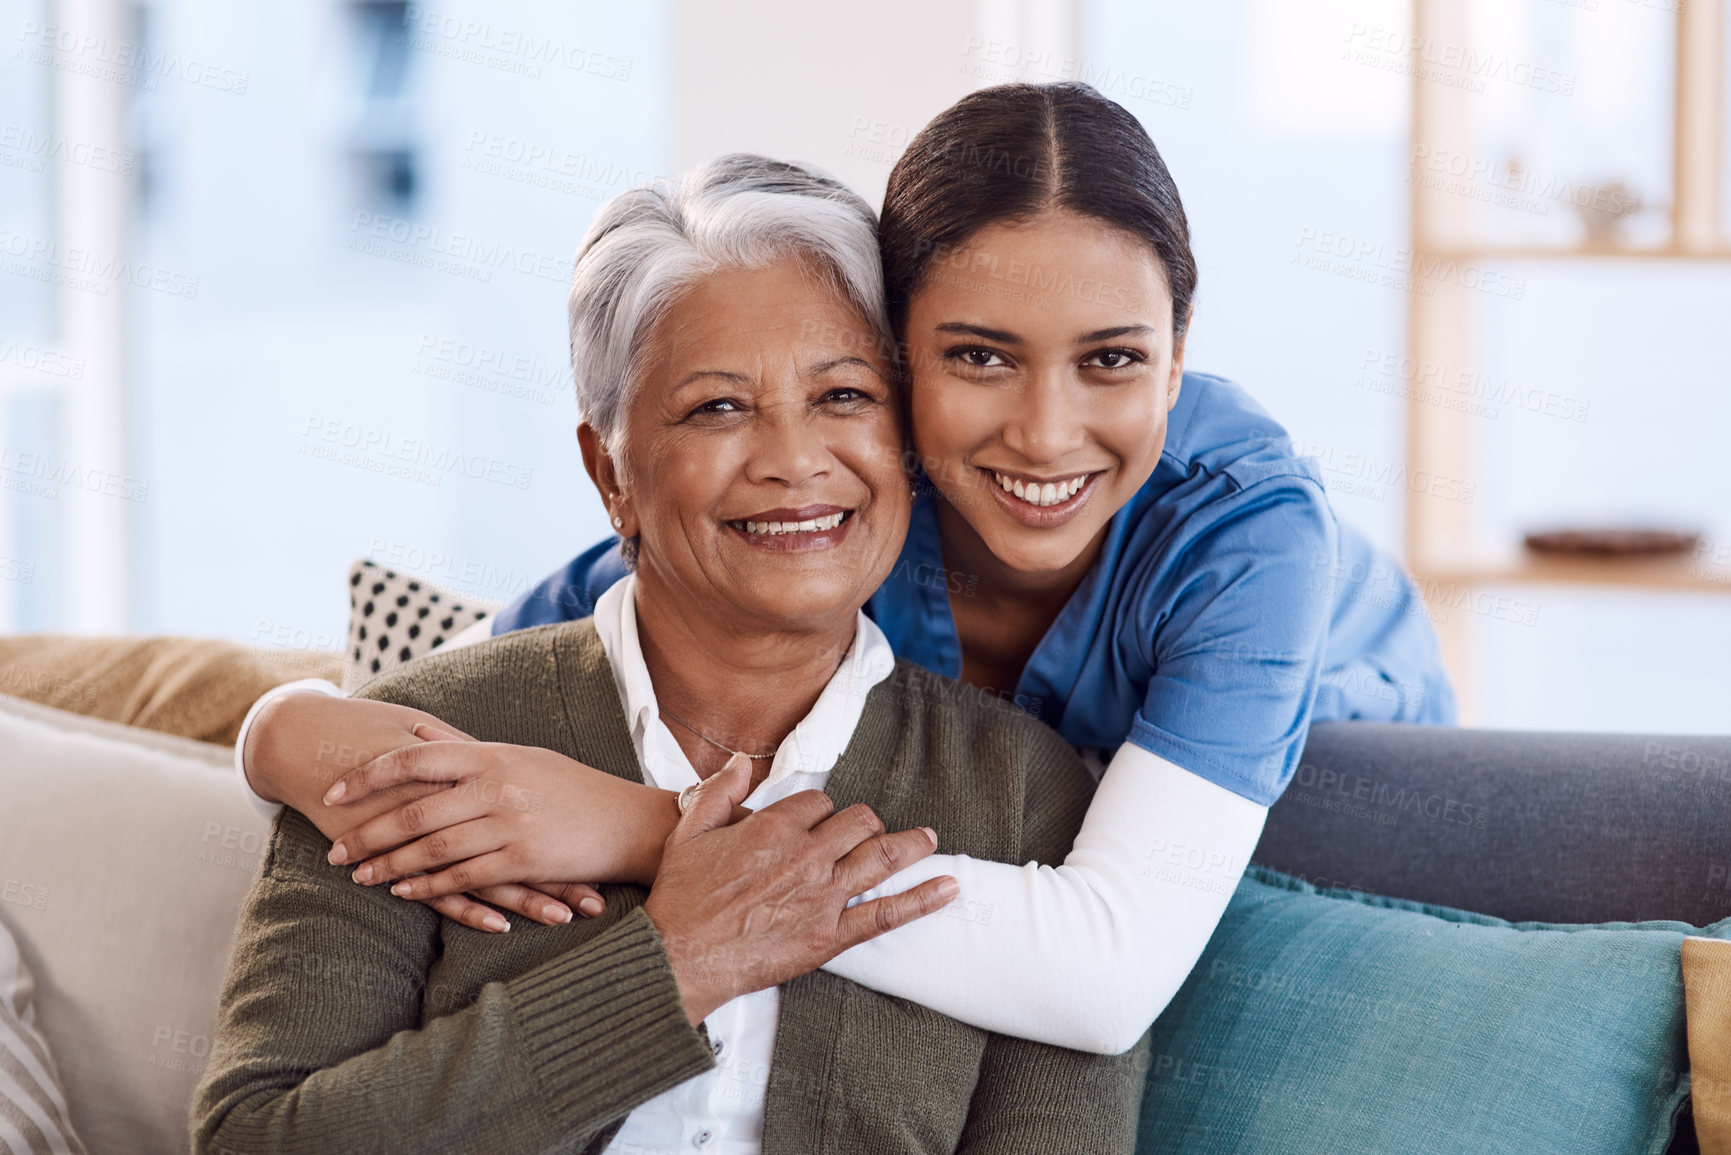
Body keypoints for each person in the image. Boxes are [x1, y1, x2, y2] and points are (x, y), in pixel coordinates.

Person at [236, 82, 1454, 1056]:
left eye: (1114, 359)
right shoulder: (840, 495)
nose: (1042, 431)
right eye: (978, 357)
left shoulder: (1240, 530)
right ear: (895, 357)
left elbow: (1103, 975)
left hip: (1330, 772)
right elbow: (439, 698)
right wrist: (279, 725)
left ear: (1179, 359)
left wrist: (651, 830)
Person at [192, 154, 1148, 1155]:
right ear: (612, 474)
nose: (793, 459)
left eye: (845, 396)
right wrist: (675, 967)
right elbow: (254, 1138)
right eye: (719, 408)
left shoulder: (1017, 791)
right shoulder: (424, 748)